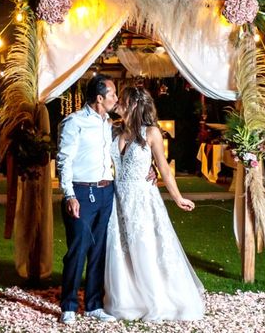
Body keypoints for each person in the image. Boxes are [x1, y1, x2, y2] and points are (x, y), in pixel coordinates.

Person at [104, 86, 205, 321]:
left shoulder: (152, 133)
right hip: (117, 199)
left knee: (145, 247)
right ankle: (127, 300)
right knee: (121, 250)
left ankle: (155, 300)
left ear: (134, 104)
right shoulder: (113, 129)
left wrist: (178, 197)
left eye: (123, 99)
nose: (118, 102)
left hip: (142, 200)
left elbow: (164, 170)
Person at [56, 73, 119, 324]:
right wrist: (69, 195)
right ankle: (69, 305)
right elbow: (64, 160)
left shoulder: (109, 123)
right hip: (82, 191)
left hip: (106, 191)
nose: (116, 98)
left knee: (99, 250)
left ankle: (93, 304)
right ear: (99, 98)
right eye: (113, 94)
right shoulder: (75, 122)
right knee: (78, 249)